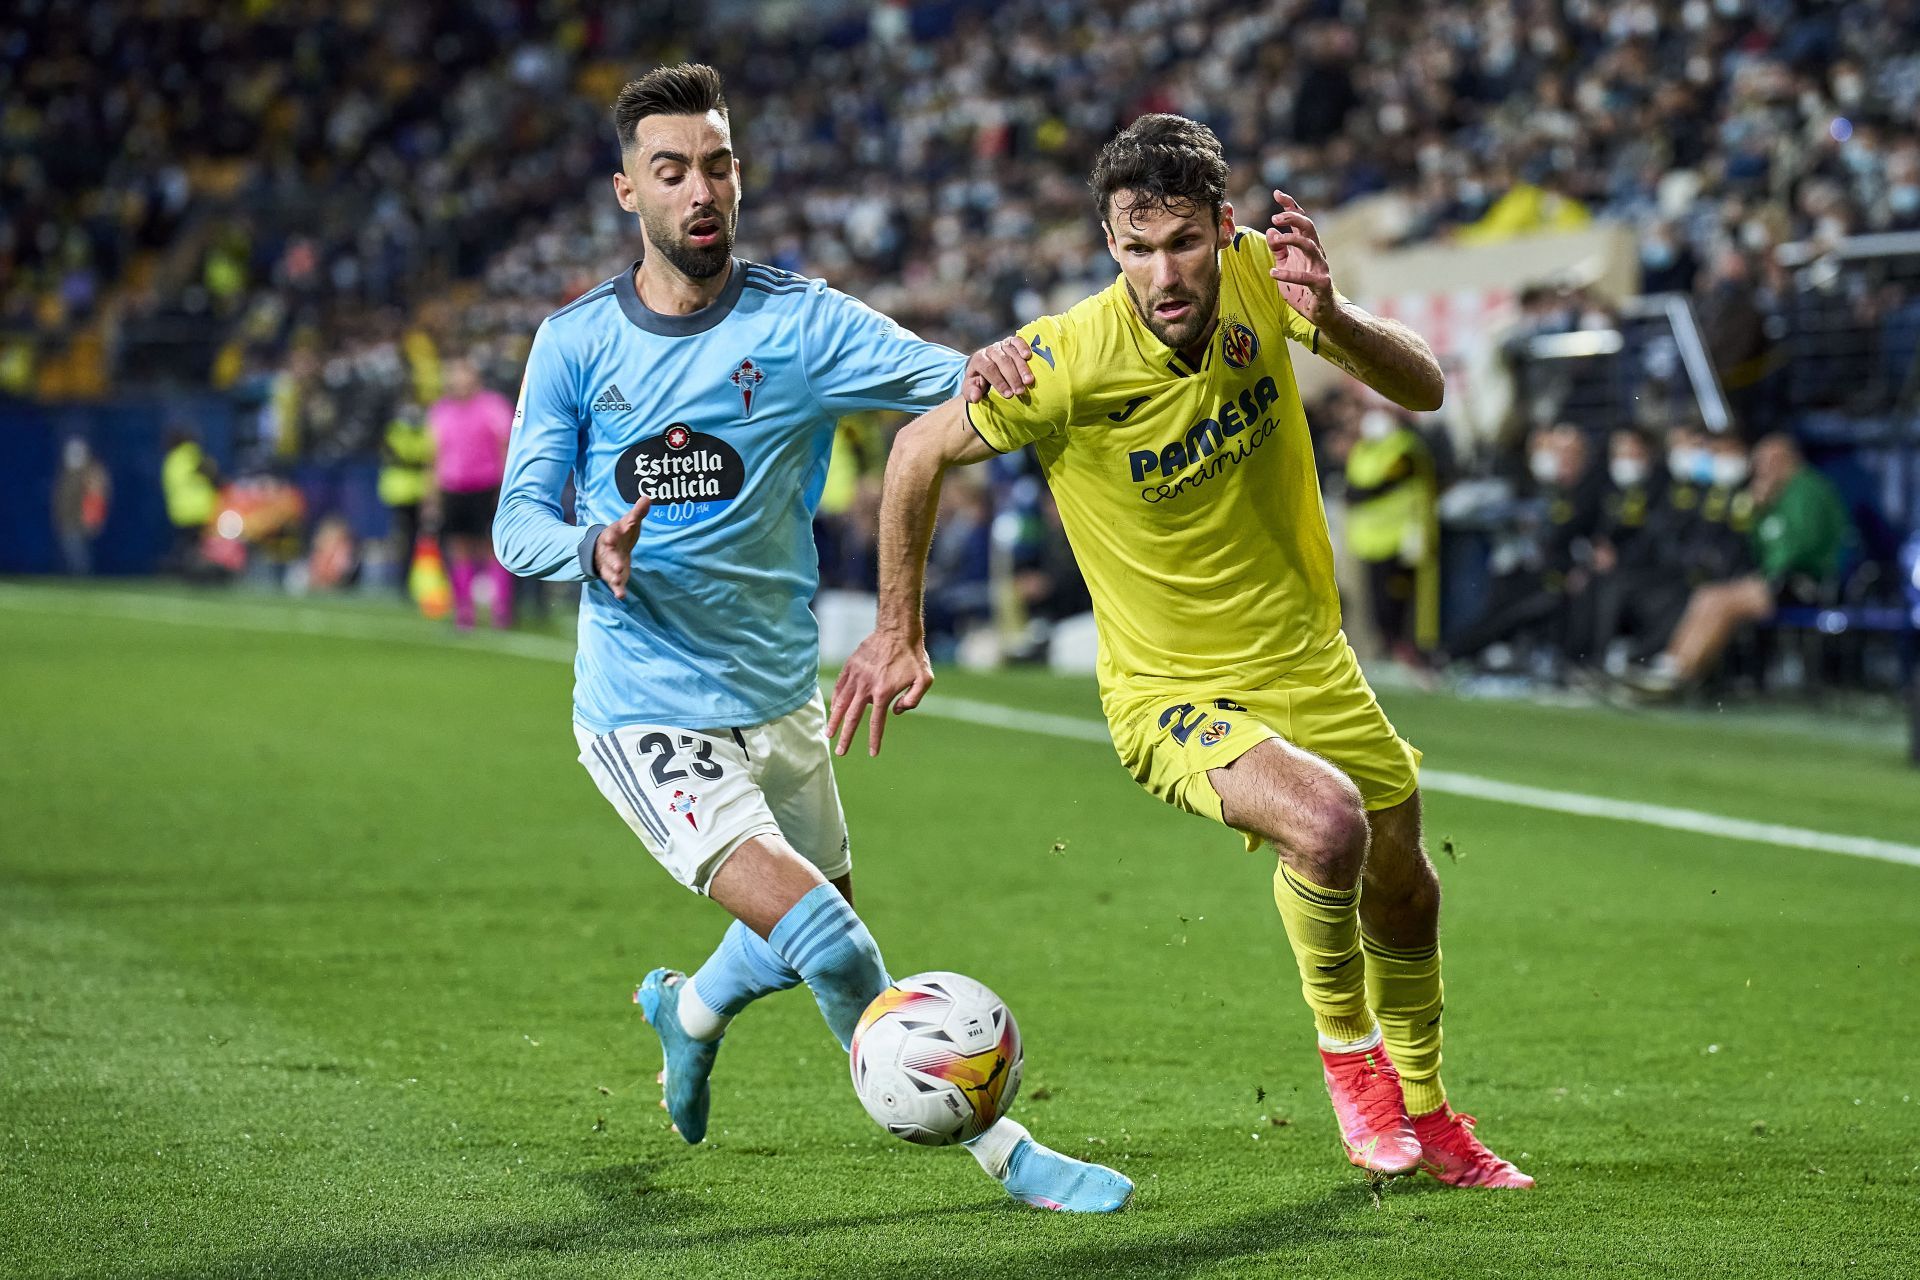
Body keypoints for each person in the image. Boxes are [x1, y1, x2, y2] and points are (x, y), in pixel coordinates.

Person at [833, 114, 1530, 1189]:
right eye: (1135, 247)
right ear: (1110, 244)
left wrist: (1334, 315)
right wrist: (897, 626)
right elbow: (918, 449)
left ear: (1223, 227)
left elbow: (1427, 386)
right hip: (1169, 691)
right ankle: (1352, 1067)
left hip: (1312, 660)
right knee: (1327, 823)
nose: (1163, 271)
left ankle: (1433, 1113)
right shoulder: (1062, 360)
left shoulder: (1263, 278)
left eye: (1184, 243)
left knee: (1407, 887)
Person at [490, 63, 1129, 1213]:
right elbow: (515, 523)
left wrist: (1018, 369)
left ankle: (686, 1012)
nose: (702, 190)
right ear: (625, 191)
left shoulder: (802, 323)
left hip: (781, 698)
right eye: (672, 170)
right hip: (647, 706)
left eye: (719, 166)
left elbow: (953, 385)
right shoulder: (575, 344)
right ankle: (1006, 1153)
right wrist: (593, 549)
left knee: (810, 927)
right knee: (833, 941)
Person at [1629, 434, 1859, 697]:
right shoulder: (1774, 494)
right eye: (1759, 461)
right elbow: (1758, 545)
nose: (1760, 468)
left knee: (1722, 601)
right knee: (1708, 596)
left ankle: (1681, 675)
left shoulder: (1808, 489)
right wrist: (1758, 512)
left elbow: (1796, 549)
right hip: (1777, 580)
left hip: (1807, 582)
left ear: (1788, 459)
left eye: (1768, 461)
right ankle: (1672, 667)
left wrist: (1764, 571)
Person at [1343, 408, 1438, 663]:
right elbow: (1353, 488)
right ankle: (1388, 646)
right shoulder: (1363, 450)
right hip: (1370, 541)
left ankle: (1407, 648)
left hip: (1401, 538)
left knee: (1400, 599)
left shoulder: (1405, 449)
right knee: (1377, 601)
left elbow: (1377, 487)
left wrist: (1358, 494)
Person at [429, 357, 515, 629]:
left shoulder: (493, 406)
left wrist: (506, 485)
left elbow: (505, 445)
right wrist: (431, 496)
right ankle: (464, 611)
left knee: (491, 547)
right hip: (453, 488)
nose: (458, 382)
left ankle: (500, 609)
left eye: (462, 376)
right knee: (459, 547)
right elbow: (435, 455)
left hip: (487, 485)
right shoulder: (441, 411)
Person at [377, 403, 434, 601]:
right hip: (403, 493)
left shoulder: (412, 431)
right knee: (405, 539)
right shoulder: (399, 432)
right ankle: (403, 581)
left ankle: (411, 581)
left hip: (414, 492)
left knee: (412, 540)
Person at [159, 427, 219, 577]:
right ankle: (193, 572)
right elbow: (211, 472)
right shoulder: (191, 454)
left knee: (188, 543)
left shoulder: (171, 460)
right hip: (198, 509)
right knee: (195, 544)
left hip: (179, 510)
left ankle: (183, 568)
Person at [52, 438, 111, 575]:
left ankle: (83, 577)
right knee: (73, 550)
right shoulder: (67, 474)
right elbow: (61, 499)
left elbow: (96, 497)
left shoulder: (91, 473)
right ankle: (80, 576)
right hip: (69, 519)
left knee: (78, 553)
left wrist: (92, 517)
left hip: (81, 519)